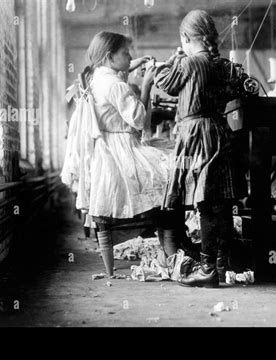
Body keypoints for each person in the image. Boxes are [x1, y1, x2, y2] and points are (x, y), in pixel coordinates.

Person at [154, 10, 246, 288]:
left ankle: (206, 269)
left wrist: (170, 61)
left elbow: (163, 84)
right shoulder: (224, 65)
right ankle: (219, 266)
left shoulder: (189, 63)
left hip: (196, 134)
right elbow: (237, 90)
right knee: (221, 204)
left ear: (185, 37)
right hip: (220, 131)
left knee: (205, 202)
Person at [84, 31, 179, 276]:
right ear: (109, 57)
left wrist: (134, 64)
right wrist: (146, 84)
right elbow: (138, 120)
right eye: (126, 53)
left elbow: (116, 77)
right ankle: (175, 247)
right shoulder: (116, 84)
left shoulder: (97, 78)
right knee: (171, 170)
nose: (130, 57)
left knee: (167, 164)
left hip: (105, 152)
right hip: (123, 151)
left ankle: (111, 269)